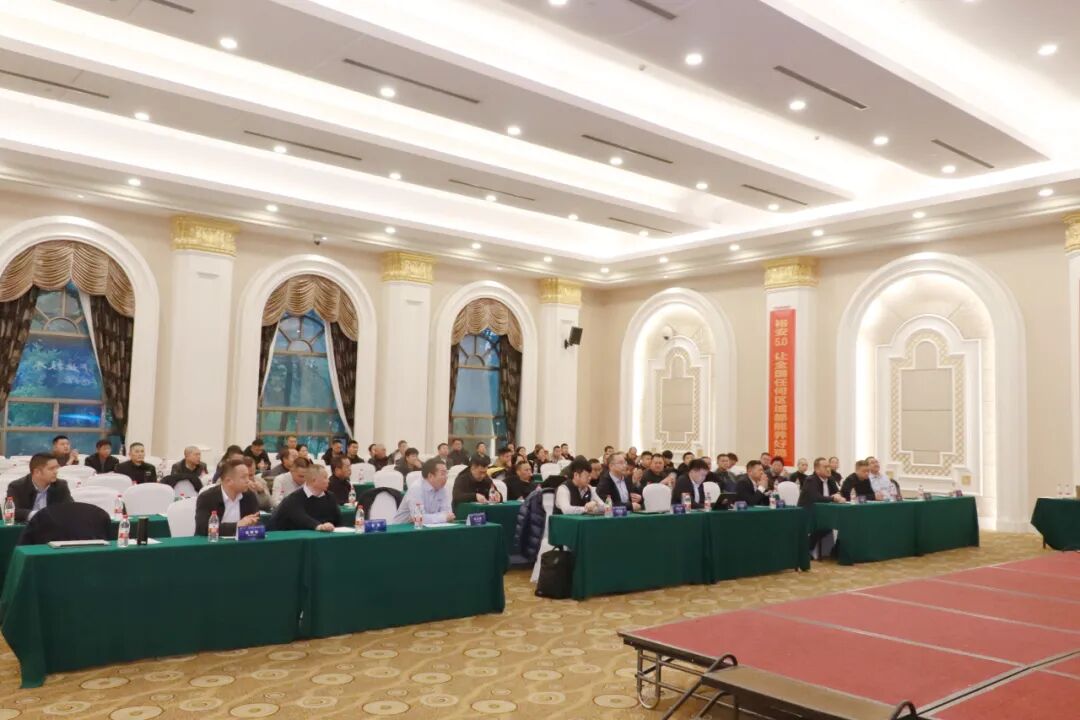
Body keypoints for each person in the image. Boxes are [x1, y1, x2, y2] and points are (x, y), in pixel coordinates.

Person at [194, 459, 261, 536]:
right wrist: (237, 525)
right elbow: (203, 528)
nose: (248, 481)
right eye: (243, 477)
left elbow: (257, 523)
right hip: (212, 542)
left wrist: (252, 523)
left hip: (241, 542)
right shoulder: (207, 498)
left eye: (248, 476)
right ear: (228, 481)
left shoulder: (249, 496)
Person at [269, 464, 341, 531]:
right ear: (314, 480)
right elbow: (301, 518)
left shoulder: (330, 497)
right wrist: (320, 526)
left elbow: (338, 520)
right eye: (325, 478)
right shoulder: (294, 499)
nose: (328, 481)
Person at [8, 453, 70, 522]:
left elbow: (70, 508)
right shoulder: (16, 487)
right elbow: (11, 511)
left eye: (56, 468)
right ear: (37, 472)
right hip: (26, 526)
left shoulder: (61, 486)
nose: (56, 472)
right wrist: (38, 515)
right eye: (51, 468)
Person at [393, 458, 455, 525]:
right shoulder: (416, 488)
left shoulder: (443, 488)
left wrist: (442, 517)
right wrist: (443, 517)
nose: (446, 477)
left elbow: (449, 514)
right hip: (403, 528)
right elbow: (418, 519)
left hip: (428, 527)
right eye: (443, 474)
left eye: (446, 473)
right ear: (430, 476)